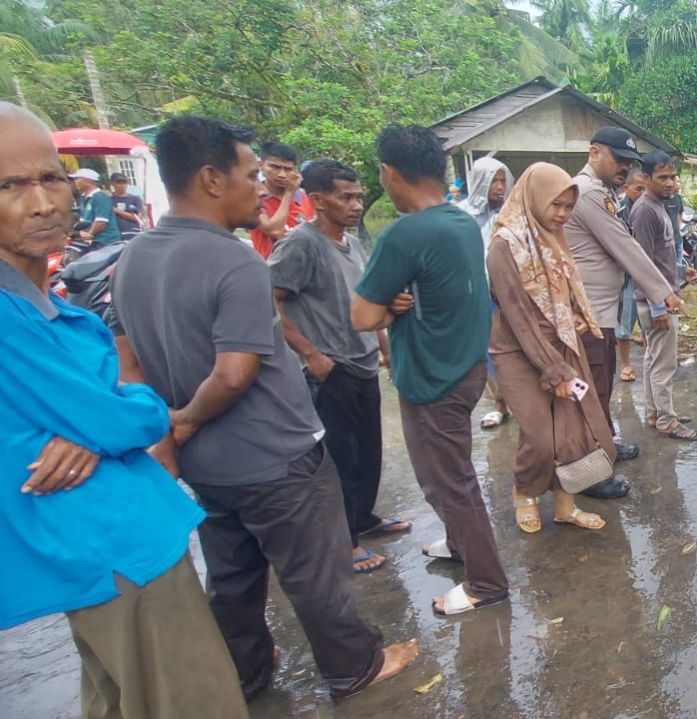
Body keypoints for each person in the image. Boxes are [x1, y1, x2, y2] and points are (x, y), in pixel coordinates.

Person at [112, 116, 419, 700]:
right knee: (315, 569)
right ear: (210, 178)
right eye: (252, 175)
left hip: (208, 465)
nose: (264, 189)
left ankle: (246, 671)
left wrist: (169, 428)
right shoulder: (236, 262)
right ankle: (354, 665)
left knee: (232, 574)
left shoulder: (134, 257)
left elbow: (127, 359)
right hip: (275, 455)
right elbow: (235, 372)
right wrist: (188, 419)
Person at [0, 101, 250, 719]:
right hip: (112, 547)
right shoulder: (12, 319)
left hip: (105, 544)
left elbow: (111, 405)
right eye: (10, 185)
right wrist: (123, 411)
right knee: (193, 700)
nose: (42, 203)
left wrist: (105, 415)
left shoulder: (49, 308)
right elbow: (130, 415)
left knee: (120, 697)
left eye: (52, 178)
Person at [350, 125, 511, 617]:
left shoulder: (405, 234)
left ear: (389, 172)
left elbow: (362, 316)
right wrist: (401, 300)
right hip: (464, 367)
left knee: (449, 481)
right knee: (439, 474)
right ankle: (460, 545)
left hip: (433, 378)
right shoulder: (460, 222)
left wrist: (390, 306)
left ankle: (486, 583)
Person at [268, 159, 410, 574]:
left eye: (359, 197)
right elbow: (267, 299)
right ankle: (343, 541)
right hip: (330, 368)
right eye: (345, 197)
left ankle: (362, 518)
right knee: (339, 460)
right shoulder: (300, 245)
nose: (356, 205)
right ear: (317, 200)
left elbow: (366, 300)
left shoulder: (354, 244)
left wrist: (384, 346)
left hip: (362, 360)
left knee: (368, 453)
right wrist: (310, 354)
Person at [486, 162, 618, 534]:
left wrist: (576, 315)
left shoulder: (553, 236)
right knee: (540, 435)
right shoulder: (504, 246)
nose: (562, 214)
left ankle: (565, 506)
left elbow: (565, 287)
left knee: (573, 431)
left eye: (568, 207)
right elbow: (517, 315)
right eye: (555, 204)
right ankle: (524, 492)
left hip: (562, 343)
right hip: (518, 351)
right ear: (534, 198)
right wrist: (554, 369)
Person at [564, 126, 686, 498]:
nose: (624, 167)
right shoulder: (586, 193)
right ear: (594, 152)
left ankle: (606, 447)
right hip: (587, 314)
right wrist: (663, 294)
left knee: (602, 387)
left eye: (628, 161)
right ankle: (589, 475)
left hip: (602, 311)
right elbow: (627, 248)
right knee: (590, 393)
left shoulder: (602, 193)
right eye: (617, 159)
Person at [629, 151, 697, 441]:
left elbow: (661, 257)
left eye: (673, 176)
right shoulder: (645, 211)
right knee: (664, 364)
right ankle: (667, 421)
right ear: (646, 178)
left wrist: (681, 271)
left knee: (653, 359)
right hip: (656, 302)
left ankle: (654, 413)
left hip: (660, 296)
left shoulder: (658, 205)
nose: (670, 183)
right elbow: (642, 263)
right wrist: (658, 306)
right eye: (663, 177)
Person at [456, 155, 517, 430]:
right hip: (475, 295)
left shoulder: (509, 215)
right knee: (487, 351)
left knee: (512, 349)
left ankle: (519, 400)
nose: (500, 187)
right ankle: (499, 404)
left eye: (503, 181)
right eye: (494, 181)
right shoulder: (462, 216)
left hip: (507, 293)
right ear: (481, 182)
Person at [248, 141, 314, 259]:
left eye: (288, 169)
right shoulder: (253, 197)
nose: (282, 175)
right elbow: (274, 231)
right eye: (274, 167)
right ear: (260, 165)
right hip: (270, 266)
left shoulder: (305, 197)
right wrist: (288, 194)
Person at [616, 168, 648, 384]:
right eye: (638, 189)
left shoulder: (650, 208)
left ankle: (649, 361)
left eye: (645, 189)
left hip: (647, 275)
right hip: (627, 277)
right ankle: (626, 365)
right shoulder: (618, 211)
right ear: (626, 188)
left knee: (650, 322)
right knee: (624, 325)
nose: (642, 193)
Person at [71, 168, 122, 246]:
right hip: (94, 241)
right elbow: (83, 220)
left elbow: (101, 222)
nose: (75, 181)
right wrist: (82, 233)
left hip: (106, 241)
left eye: (77, 178)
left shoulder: (101, 197)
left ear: (87, 182)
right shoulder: (84, 198)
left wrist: (89, 234)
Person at [108, 172, 145, 241]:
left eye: (124, 183)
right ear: (112, 184)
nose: (122, 185)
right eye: (119, 183)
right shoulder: (108, 200)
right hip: (114, 235)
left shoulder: (135, 199)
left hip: (132, 234)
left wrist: (116, 210)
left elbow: (138, 218)